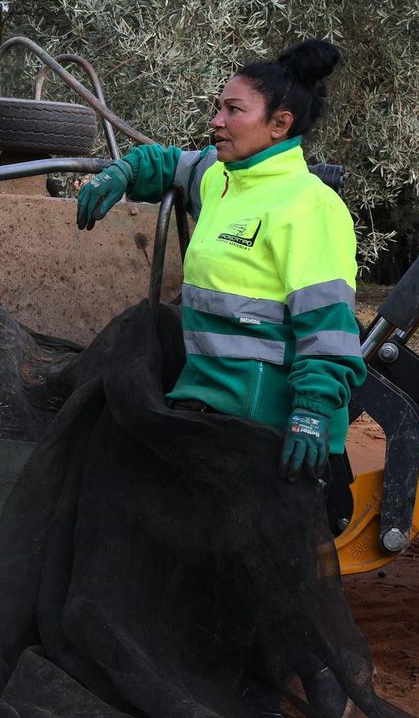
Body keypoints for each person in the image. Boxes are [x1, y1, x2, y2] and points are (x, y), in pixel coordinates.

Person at [75, 39, 366, 484]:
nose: (216, 121)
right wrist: (125, 172)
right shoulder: (221, 177)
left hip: (264, 429)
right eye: (218, 108)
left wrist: (311, 410)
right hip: (209, 405)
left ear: (280, 125)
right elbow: (170, 162)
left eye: (233, 110)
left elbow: (329, 326)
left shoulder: (309, 206)